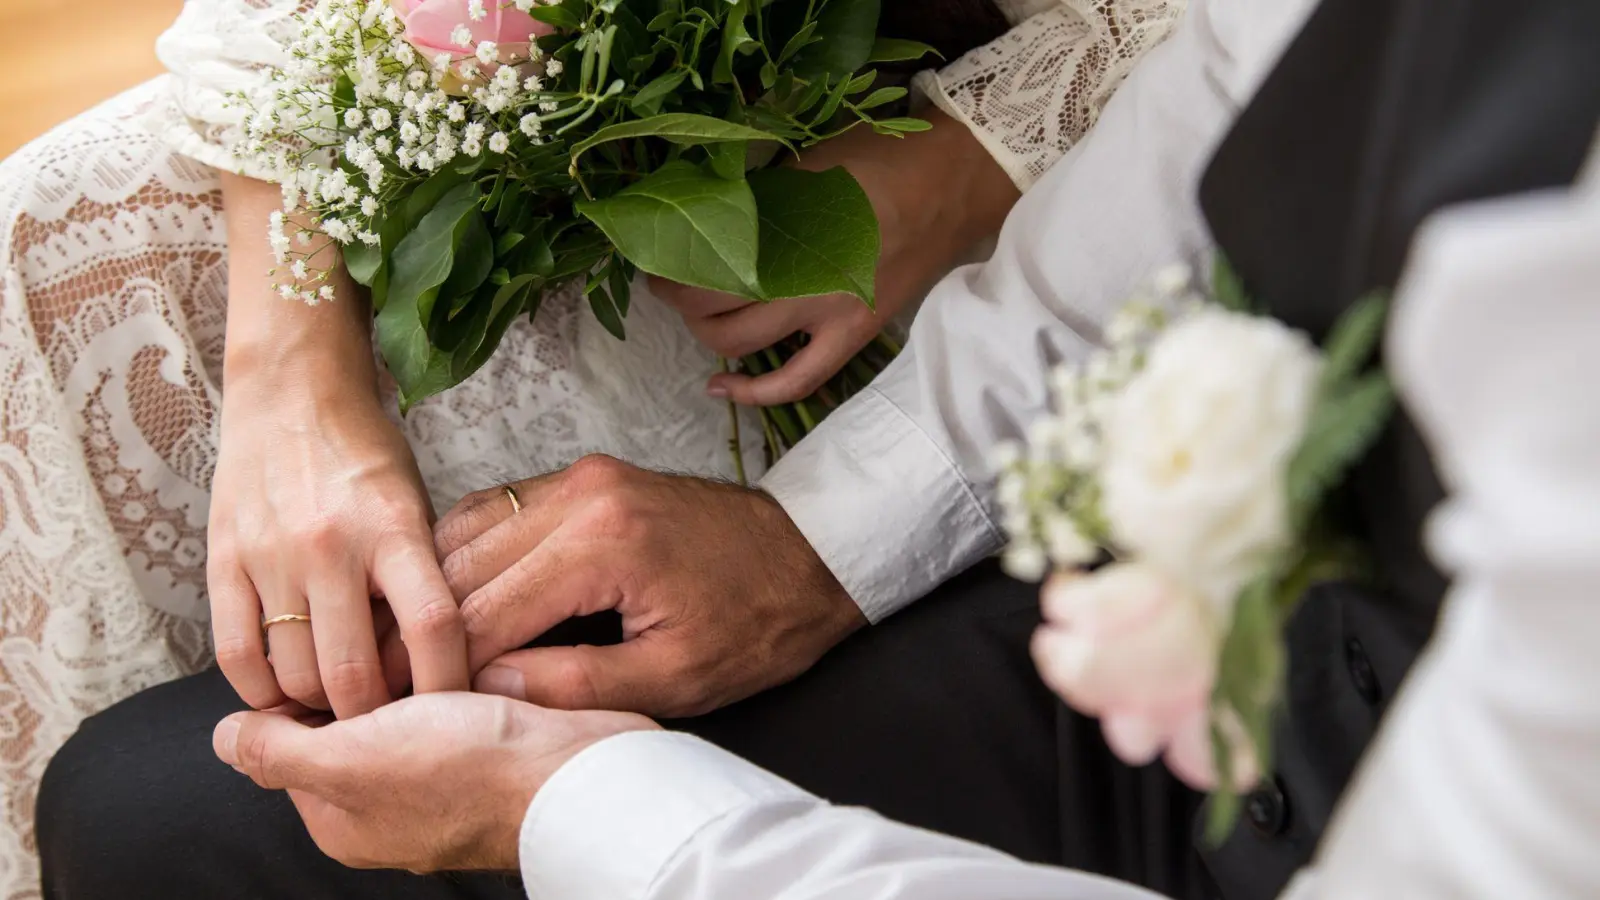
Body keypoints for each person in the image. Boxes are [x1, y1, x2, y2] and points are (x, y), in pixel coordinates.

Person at [0, 1, 1183, 895]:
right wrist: (293, 366)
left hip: (1113, 163)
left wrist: (971, 156)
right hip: (530, 105)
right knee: (49, 240)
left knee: (158, 801)